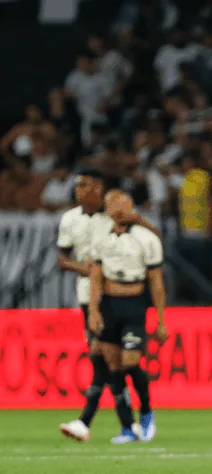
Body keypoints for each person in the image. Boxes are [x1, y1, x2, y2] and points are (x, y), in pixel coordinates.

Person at [58, 170, 160, 443]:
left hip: (113, 297)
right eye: (77, 185)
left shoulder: (112, 218)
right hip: (88, 294)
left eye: (84, 185)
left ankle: (90, 421)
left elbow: (154, 240)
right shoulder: (69, 219)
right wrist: (88, 269)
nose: (78, 190)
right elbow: (62, 259)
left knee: (102, 358)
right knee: (103, 359)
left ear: (98, 188)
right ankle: (125, 424)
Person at [88, 190, 168, 443]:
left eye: (121, 202)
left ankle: (145, 411)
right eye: (111, 203)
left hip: (135, 304)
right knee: (113, 367)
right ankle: (127, 427)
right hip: (110, 304)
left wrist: (161, 320)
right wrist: (93, 310)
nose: (116, 207)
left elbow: (156, 283)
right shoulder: (101, 239)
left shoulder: (147, 238)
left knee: (131, 362)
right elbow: (95, 277)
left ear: (131, 205)